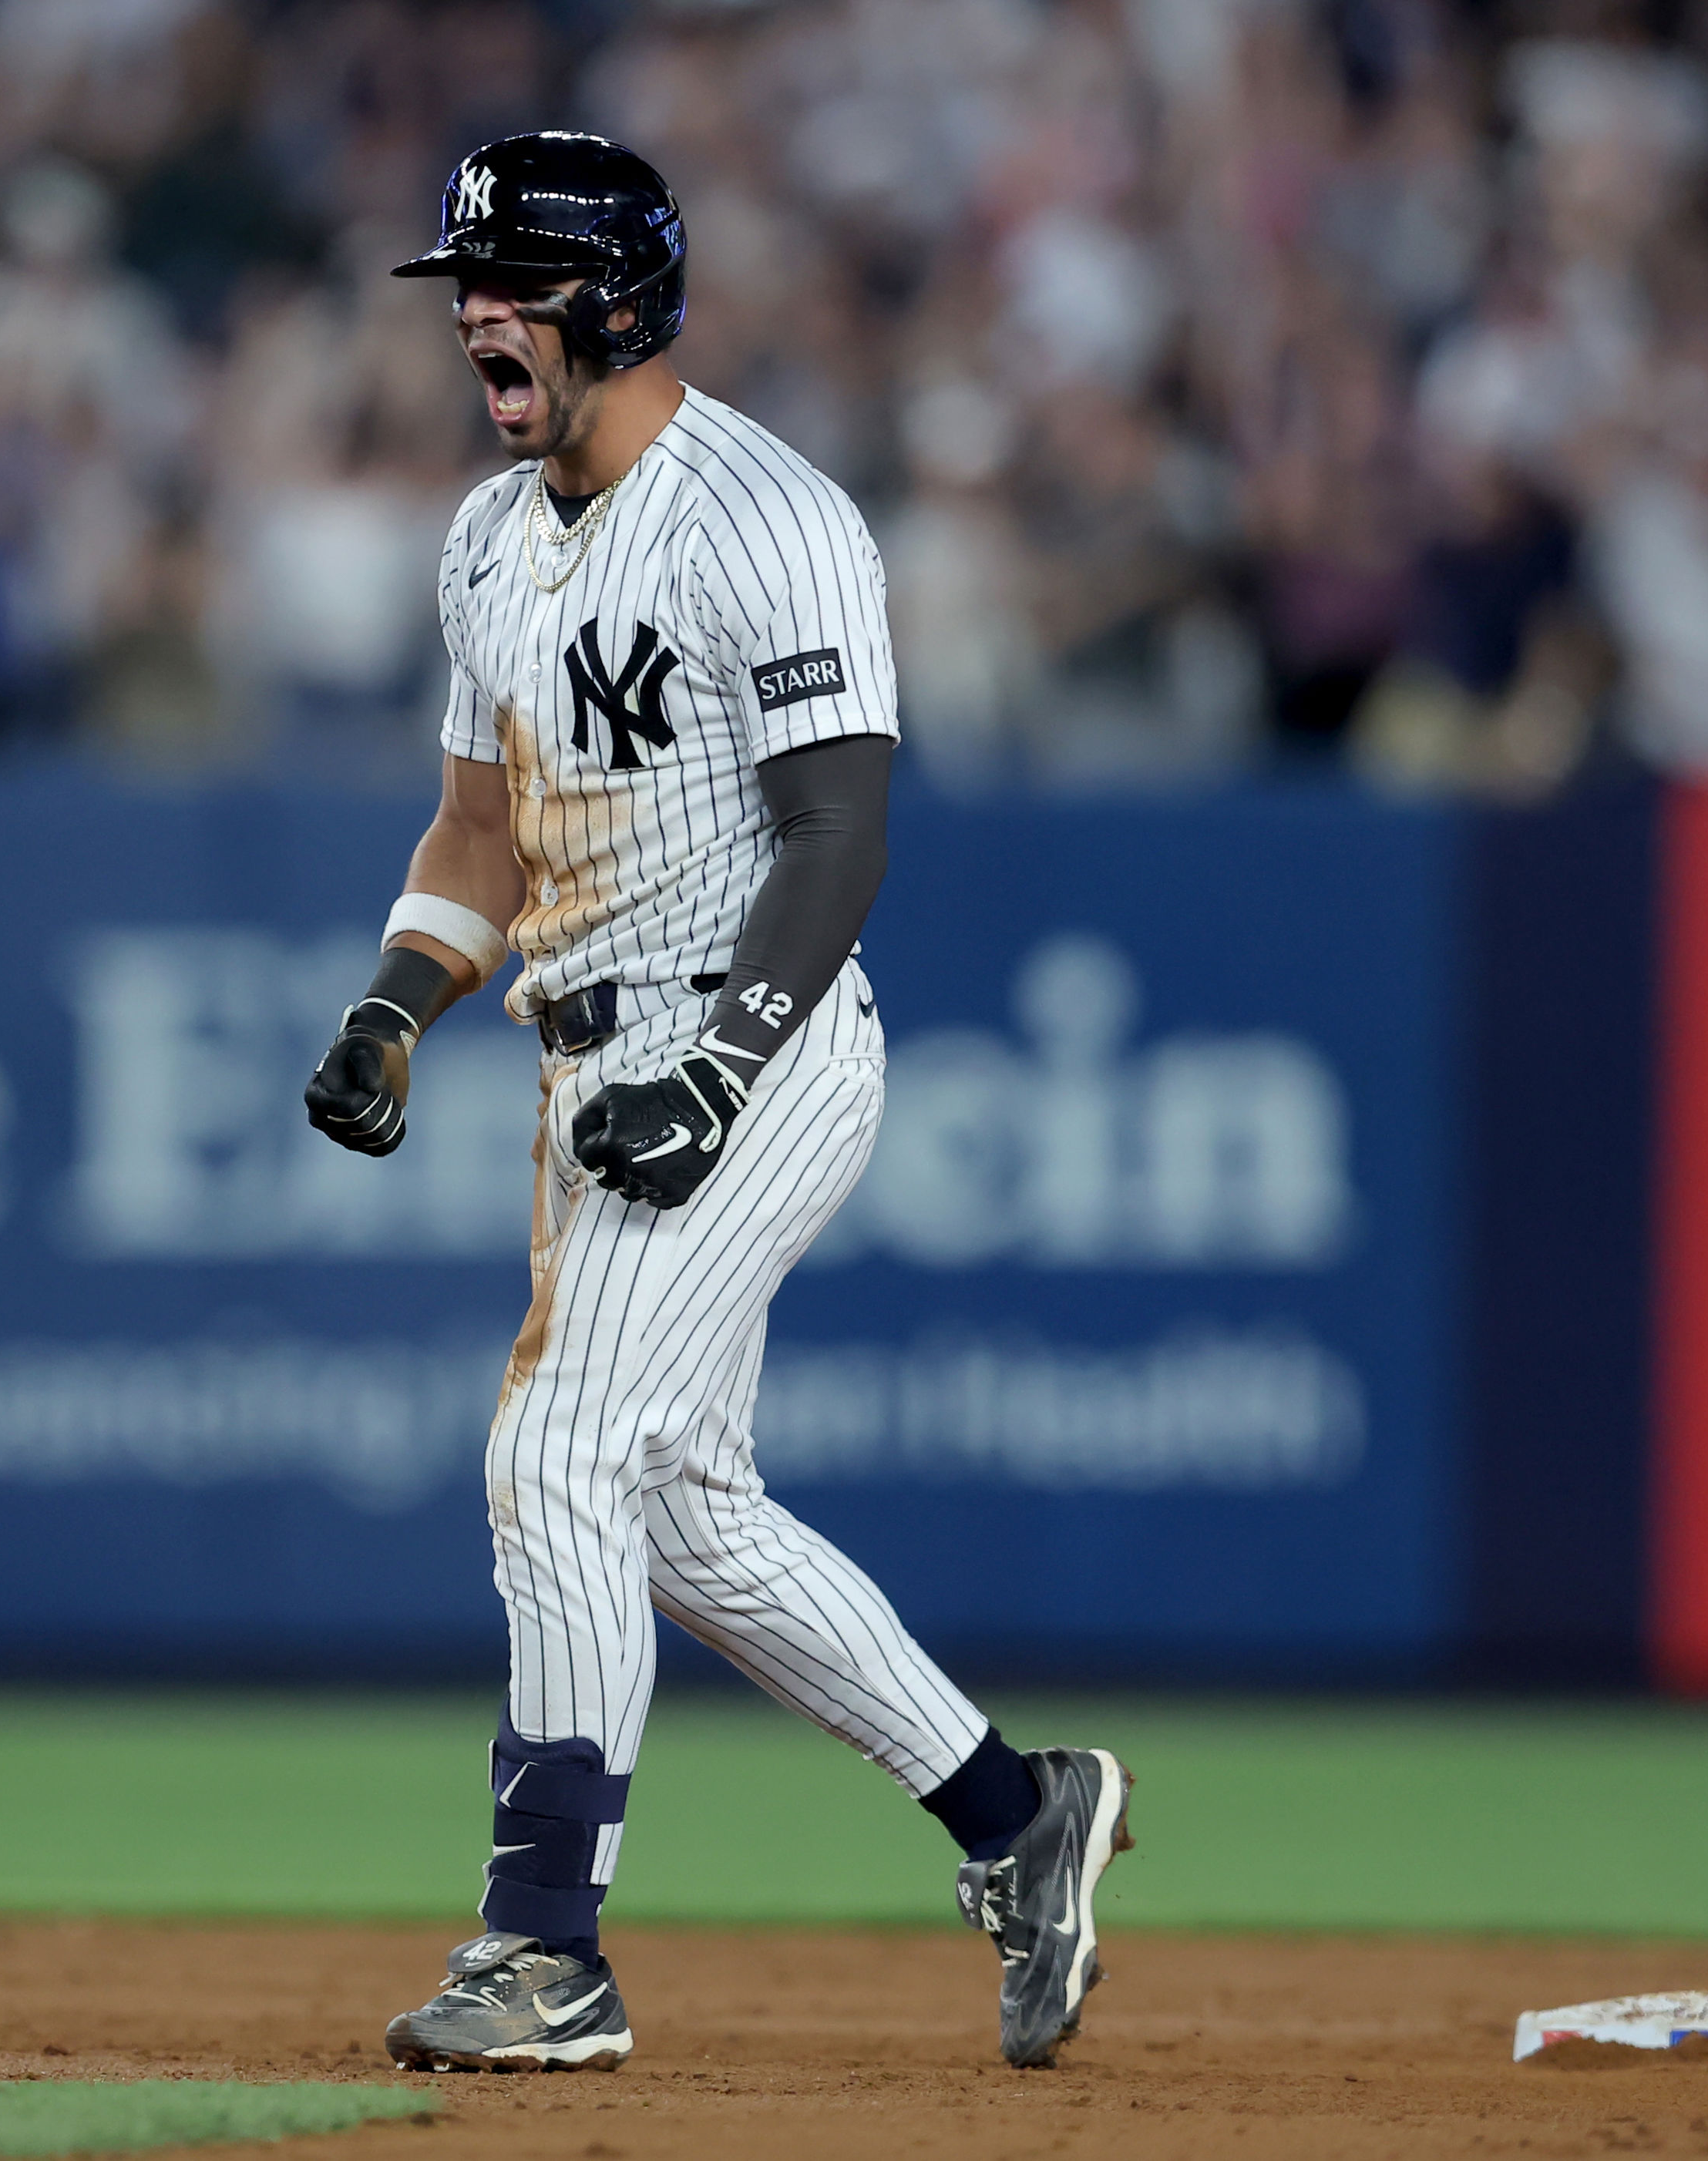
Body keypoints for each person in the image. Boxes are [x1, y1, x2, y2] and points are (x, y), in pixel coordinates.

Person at [303, 134, 1134, 2072]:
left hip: (751, 1032)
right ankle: (1019, 1819)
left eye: (510, 281)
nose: (477, 318)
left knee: (554, 1452)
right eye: (466, 288)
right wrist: (395, 1001)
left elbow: (837, 828)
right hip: (588, 1052)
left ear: (617, 295)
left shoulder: (762, 513)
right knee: (680, 1512)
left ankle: (544, 1950)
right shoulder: (487, 535)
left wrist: (721, 1068)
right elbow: (480, 821)